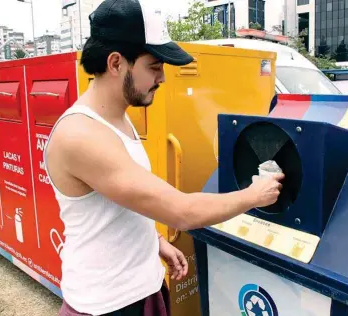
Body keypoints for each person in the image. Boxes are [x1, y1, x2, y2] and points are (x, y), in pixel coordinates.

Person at [44, 0, 284, 315]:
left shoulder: (118, 118)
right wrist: (253, 195)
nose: (163, 78)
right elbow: (181, 211)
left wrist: (154, 241)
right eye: (155, 67)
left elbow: (116, 200)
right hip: (107, 305)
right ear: (116, 63)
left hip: (141, 288)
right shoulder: (80, 136)